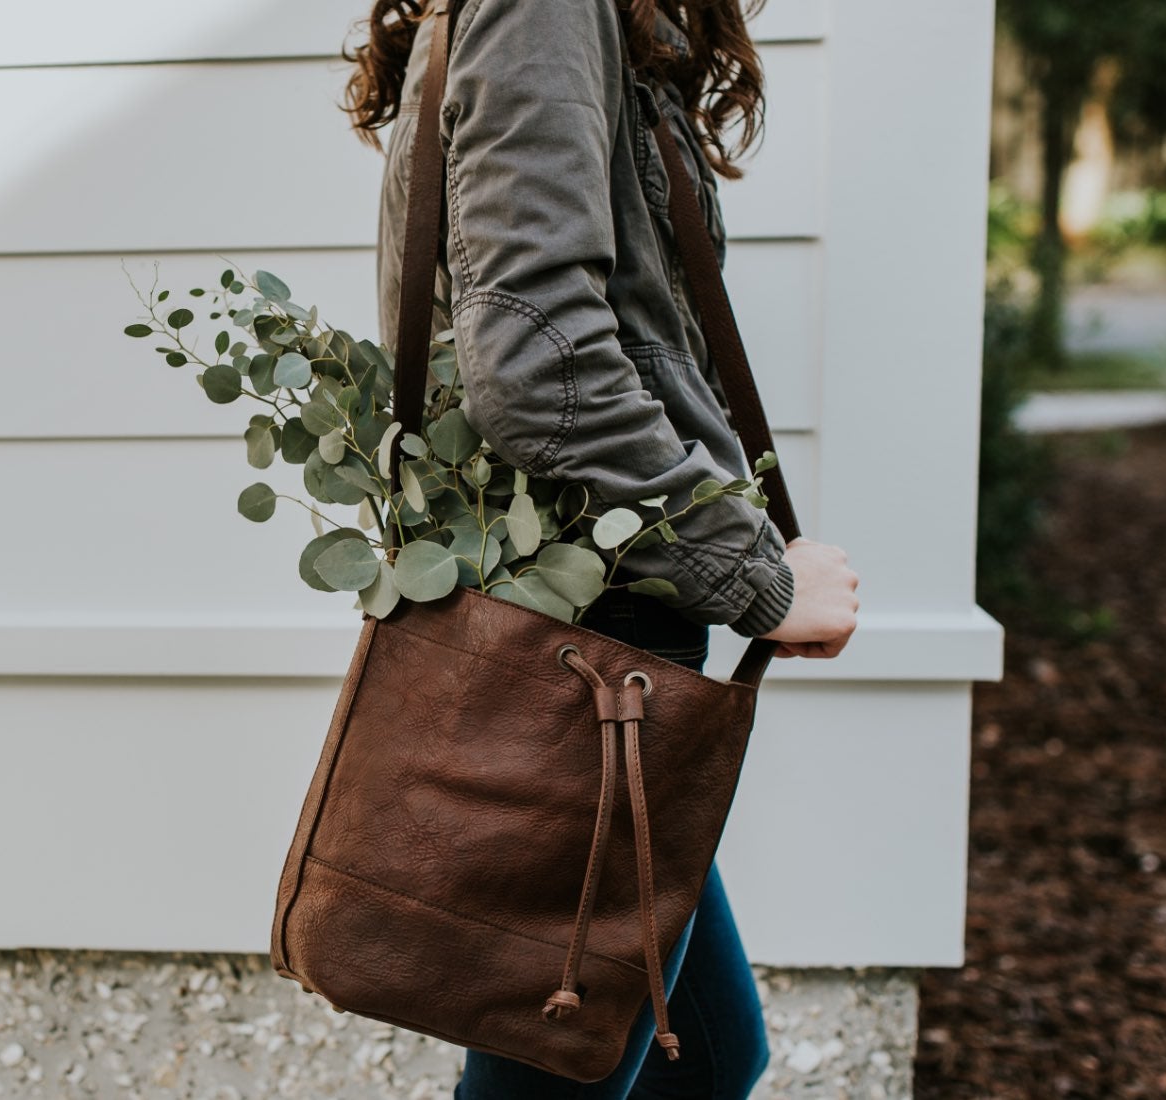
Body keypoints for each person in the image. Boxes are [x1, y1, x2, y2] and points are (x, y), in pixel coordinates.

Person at [343, 0, 862, 1095]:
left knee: (706, 1059)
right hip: (590, 642)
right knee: (566, 1063)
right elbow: (536, 363)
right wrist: (759, 579)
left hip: (604, 621)